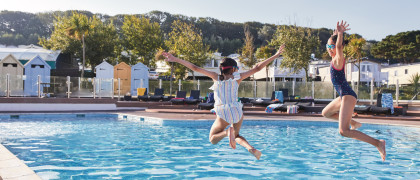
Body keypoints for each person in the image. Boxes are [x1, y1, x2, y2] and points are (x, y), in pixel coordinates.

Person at [162, 45, 285, 160]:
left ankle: (227, 132)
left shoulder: (215, 77)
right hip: (237, 112)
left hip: (223, 113)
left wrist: (175, 59)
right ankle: (251, 148)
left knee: (212, 139)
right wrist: (276, 54)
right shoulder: (238, 77)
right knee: (236, 136)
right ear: (233, 69)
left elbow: (195, 68)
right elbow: (258, 67)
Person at [321, 21, 386, 161]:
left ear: (339, 47)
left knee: (343, 131)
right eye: (327, 46)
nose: (329, 48)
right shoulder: (333, 59)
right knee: (326, 113)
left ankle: (378, 143)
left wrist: (340, 34)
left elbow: (338, 46)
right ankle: (354, 123)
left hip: (348, 95)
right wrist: (335, 35)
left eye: (331, 46)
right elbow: (336, 45)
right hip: (343, 95)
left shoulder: (338, 58)